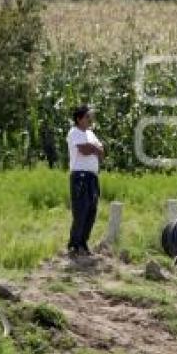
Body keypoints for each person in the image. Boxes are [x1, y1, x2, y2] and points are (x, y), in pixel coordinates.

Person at [66, 105, 105, 258]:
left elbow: (102, 153)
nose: (90, 119)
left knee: (91, 211)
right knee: (81, 211)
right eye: (87, 117)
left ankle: (83, 243)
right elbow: (84, 150)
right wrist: (95, 148)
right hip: (80, 177)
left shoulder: (90, 134)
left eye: (91, 117)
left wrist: (94, 147)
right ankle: (74, 245)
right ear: (79, 119)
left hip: (93, 177)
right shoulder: (74, 132)